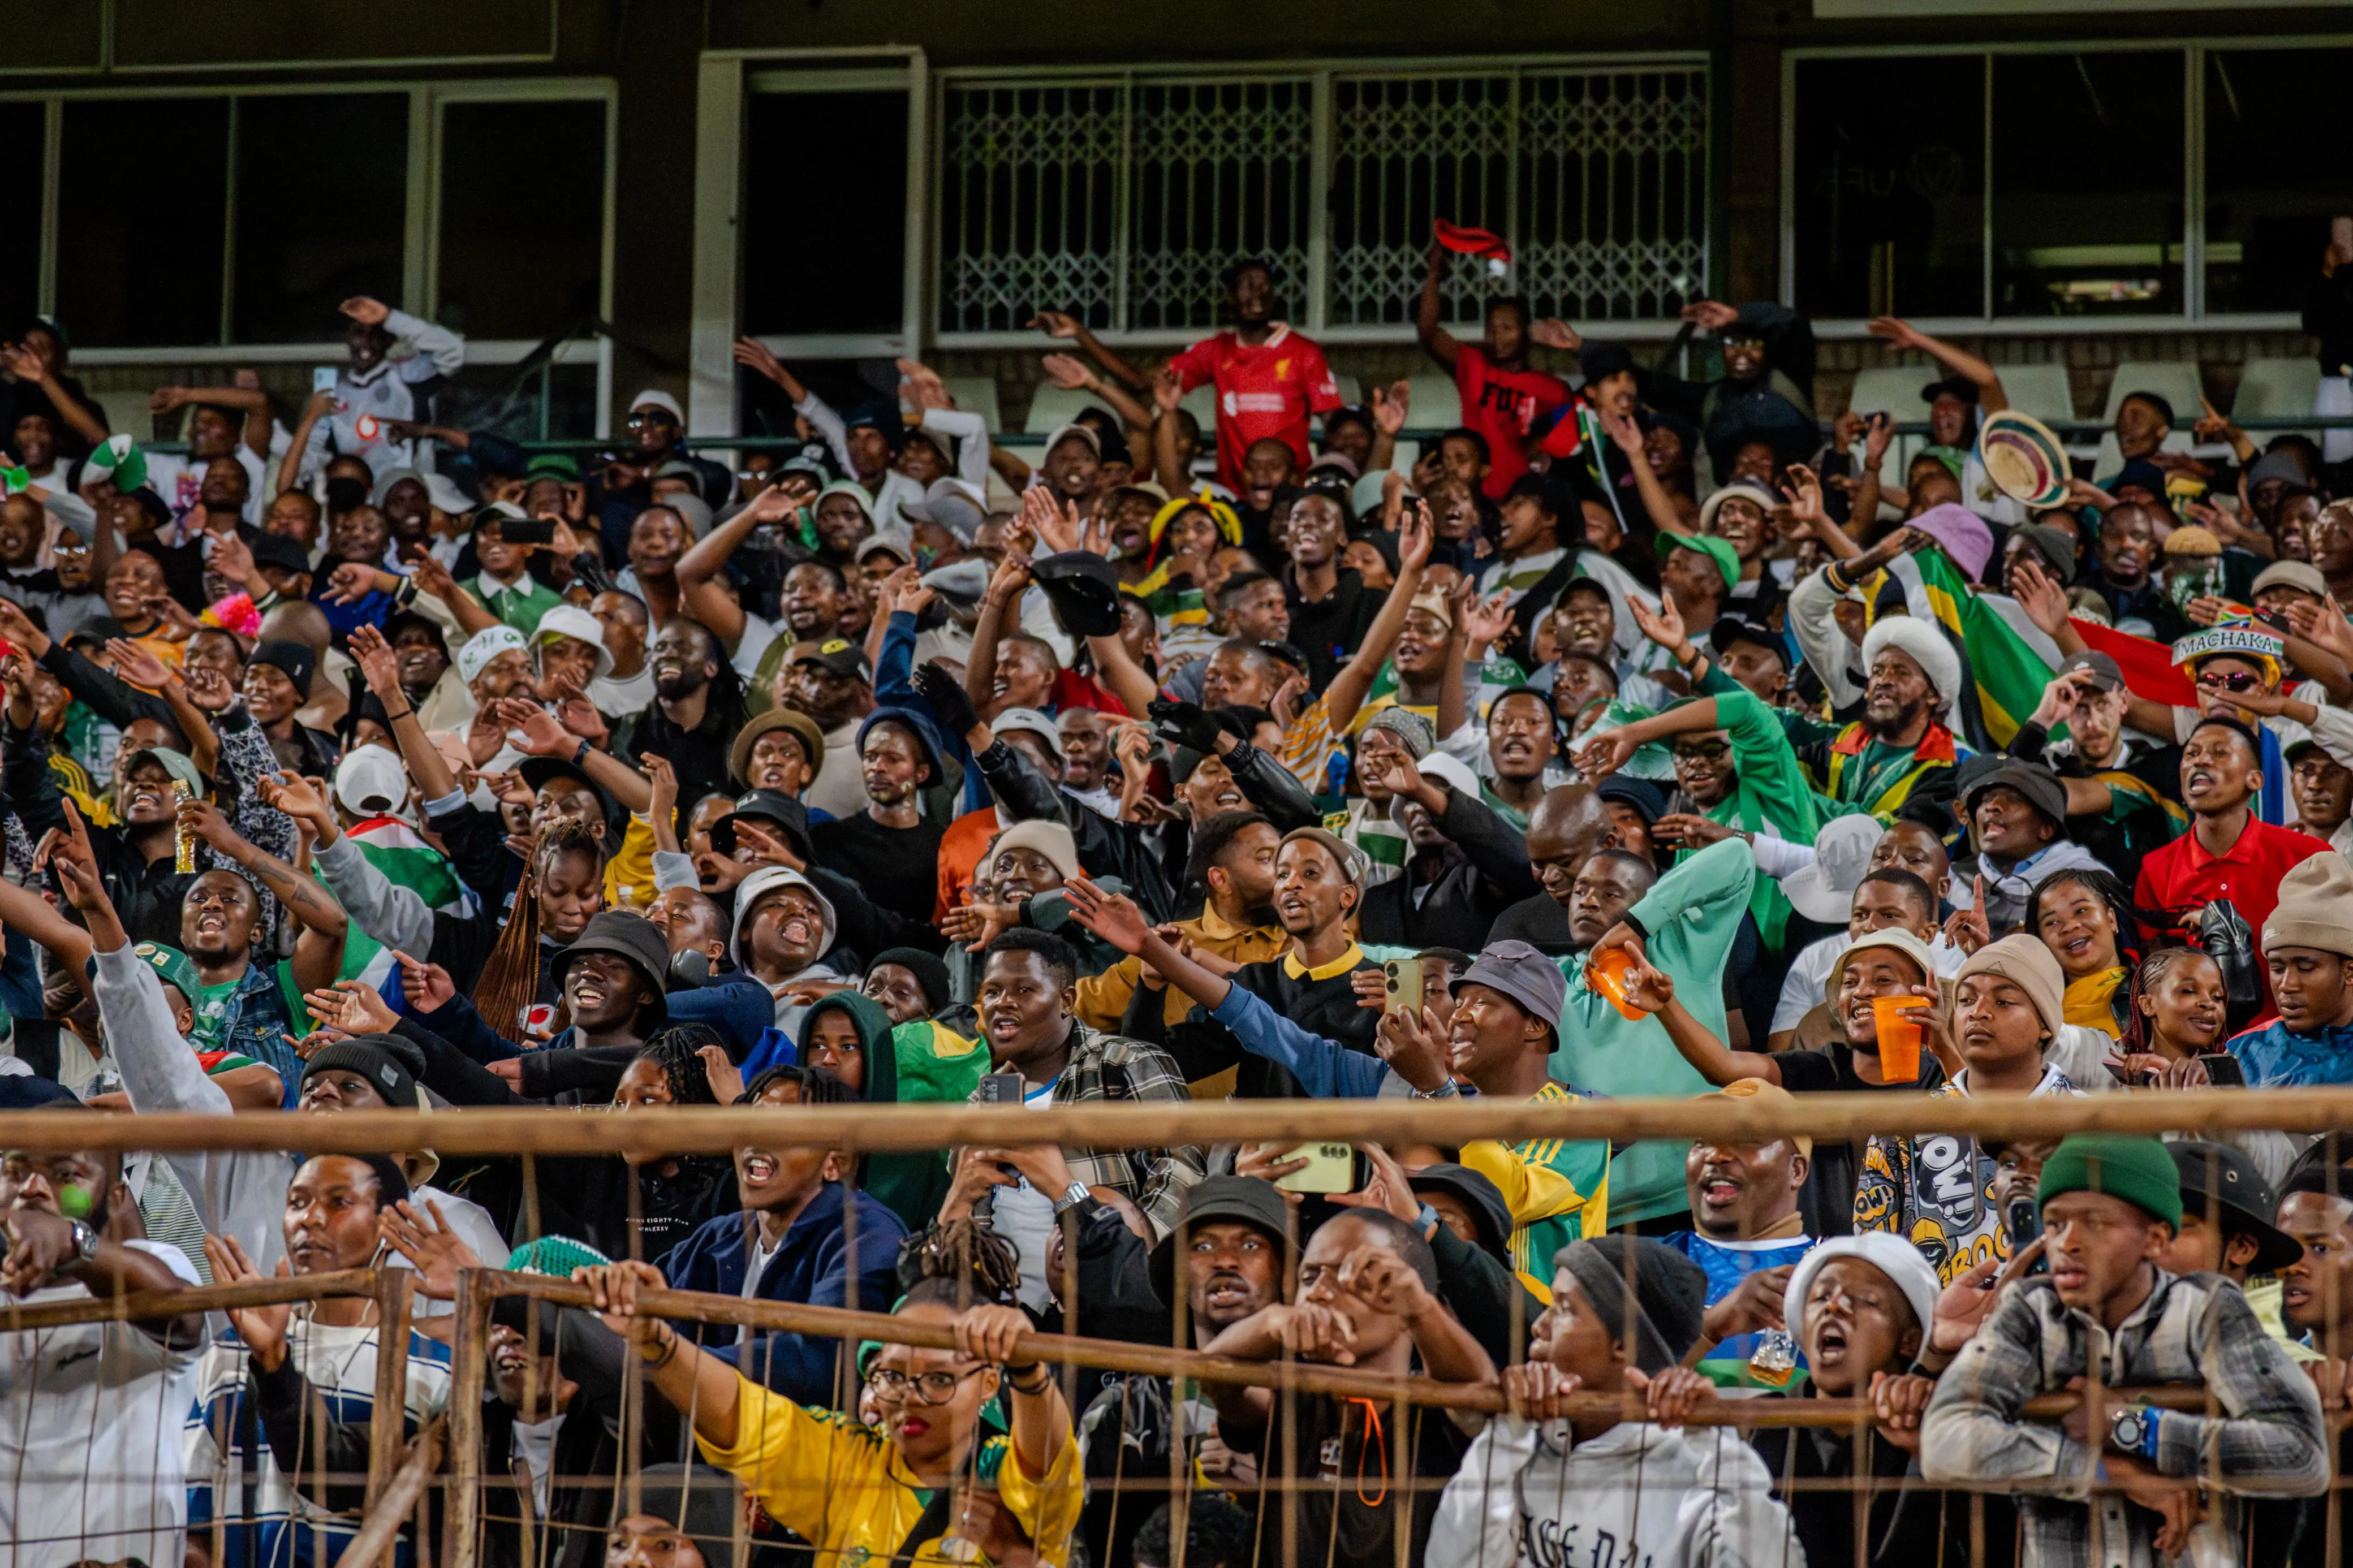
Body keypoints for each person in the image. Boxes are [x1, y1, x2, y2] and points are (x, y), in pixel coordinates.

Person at [1922, 1134, 2329, 1567]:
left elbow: (2301, 1453)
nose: (2068, 1243)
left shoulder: (2207, 1308)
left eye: (2096, 1223)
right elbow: (1944, 1439)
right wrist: (2109, 1470)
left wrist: (2131, 1425)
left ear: (2155, 1239)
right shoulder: (2031, 1311)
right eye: (2055, 1223)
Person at [576, 1266, 1083, 1568]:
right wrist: (657, 1340)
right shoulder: (848, 1459)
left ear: (989, 1383)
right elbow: (741, 1417)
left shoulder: (1003, 1474)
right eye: (891, 1375)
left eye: (939, 1378)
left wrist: (1029, 1371)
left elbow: (1047, 1467)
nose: (909, 1397)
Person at [1426, 1235, 1798, 1568]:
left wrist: (1719, 1450)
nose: (1540, 1326)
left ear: (1625, 1345)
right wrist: (1507, 1435)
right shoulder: (1520, 1443)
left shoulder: (1694, 1468)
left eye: (1565, 1309)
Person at [1199, 1208, 1494, 1568]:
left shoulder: (1436, 1403)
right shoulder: (1290, 1400)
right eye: (1309, 1277)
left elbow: (1479, 1395)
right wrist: (1270, 1321)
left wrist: (1421, 1310)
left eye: (1351, 1276)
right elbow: (1214, 1375)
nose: (1319, 1293)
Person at [0, 1134, 208, 1568]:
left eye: (66, 1174)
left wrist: (72, 1239)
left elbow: (178, 1309)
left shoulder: (153, 1264)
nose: (32, 1187)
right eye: (15, 1171)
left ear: (115, 1199)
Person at [1659, 1078, 1817, 1392]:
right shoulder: (1646, 1264)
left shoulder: (1837, 1272)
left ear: (1796, 1171)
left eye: (1745, 1138)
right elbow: (1614, 1387)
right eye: (1703, 1140)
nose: (1716, 1156)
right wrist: (1715, 1325)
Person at [1162, 258, 1341, 490]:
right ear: (1230, 296)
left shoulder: (1305, 352)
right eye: (1248, 284)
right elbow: (1147, 382)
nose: (1258, 292)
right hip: (1232, 493)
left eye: (1265, 285)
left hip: (1291, 492)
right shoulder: (1216, 350)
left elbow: (1336, 424)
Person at [2229, 851, 2353, 1086]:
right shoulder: (2242, 1052)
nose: (2287, 985)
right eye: (2277, 969)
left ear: (2349, 971)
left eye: (2305, 967)